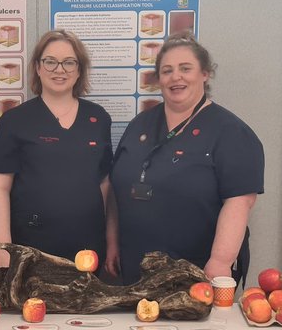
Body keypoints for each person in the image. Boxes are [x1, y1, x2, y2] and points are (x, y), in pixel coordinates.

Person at [0, 29, 116, 330]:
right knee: (42, 329)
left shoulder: (98, 118)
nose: (60, 70)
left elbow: (106, 187)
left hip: (87, 248)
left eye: (69, 62)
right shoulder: (16, 120)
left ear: (81, 70)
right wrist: (4, 252)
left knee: (82, 328)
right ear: (37, 68)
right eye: (50, 62)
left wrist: (112, 242)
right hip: (34, 248)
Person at [110, 32, 264, 286]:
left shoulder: (231, 132)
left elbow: (240, 202)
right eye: (167, 70)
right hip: (134, 269)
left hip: (197, 272)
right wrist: (113, 243)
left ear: (205, 73)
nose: (176, 77)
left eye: (185, 68)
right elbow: (118, 188)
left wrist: (220, 261)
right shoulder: (140, 125)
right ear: (158, 79)